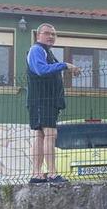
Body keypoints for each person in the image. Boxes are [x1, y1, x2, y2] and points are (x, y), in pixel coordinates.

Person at [26, 23, 80, 183]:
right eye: (47, 33)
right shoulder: (37, 50)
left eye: (53, 34)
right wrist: (65, 65)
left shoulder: (47, 52)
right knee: (50, 134)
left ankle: (37, 174)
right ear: (38, 35)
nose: (51, 36)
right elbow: (40, 70)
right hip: (42, 100)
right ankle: (51, 173)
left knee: (41, 135)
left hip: (45, 101)